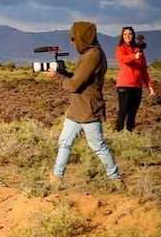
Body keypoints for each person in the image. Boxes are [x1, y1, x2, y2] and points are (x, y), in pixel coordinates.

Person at [46, 21, 122, 187]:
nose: (72, 42)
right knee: (64, 143)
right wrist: (65, 74)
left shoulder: (92, 56)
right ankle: (56, 179)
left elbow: (74, 85)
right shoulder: (92, 54)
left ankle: (116, 179)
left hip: (88, 109)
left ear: (83, 38)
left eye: (74, 38)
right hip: (78, 108)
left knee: (98, 146)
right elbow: (80, 79)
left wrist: (58, 77)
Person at [114, 26, 155, 132]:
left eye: (130, 34)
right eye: (125, 34)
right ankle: (118, 133)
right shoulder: (120, 48)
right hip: (124, 86)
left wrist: (149, 86)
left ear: (133, 36)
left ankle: (130, 133)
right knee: (123, 111)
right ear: (122, 36)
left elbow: (143, 70)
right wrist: (134, 56)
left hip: (137, 86)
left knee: (133, 112)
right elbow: (123, 59)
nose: (128, 36)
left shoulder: (139, 50)